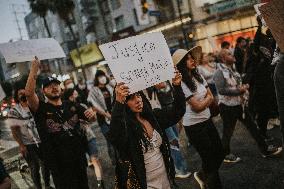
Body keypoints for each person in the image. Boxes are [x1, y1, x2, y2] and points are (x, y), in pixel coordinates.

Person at [25, 57, 96, 189]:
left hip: (79, 159)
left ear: (61, 88)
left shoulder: (72, 105)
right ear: (43, 91)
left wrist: (92, 115)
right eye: (49, 86)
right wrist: (34, 68)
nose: (54, 87)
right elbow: (29, 94)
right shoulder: (41, 109)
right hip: (59, 165)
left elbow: (91, 118)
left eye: (56, 85)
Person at [107, 69, 185, 189]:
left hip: (166, 180)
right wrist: (118, 103)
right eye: (131, 98)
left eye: (138, 95)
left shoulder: (153, 118)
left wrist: (177, 85)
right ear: (124, 103)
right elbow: (115, 136)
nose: (138, 100)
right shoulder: (126, 129)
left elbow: (178, 111)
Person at [214, 49, 282, 163]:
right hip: (227, 107)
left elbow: (235, 83)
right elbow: (221, 90)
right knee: (228, 132)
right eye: (229, 54)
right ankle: (225, 154)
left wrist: (243, 86)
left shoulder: (232, 68)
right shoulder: (219, 72)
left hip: (240, 104)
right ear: (223, 59)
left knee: (253, 127)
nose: (232, 55)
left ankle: (265, 149)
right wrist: (239, 90)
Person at [174, 46, 224, 189]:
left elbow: (211, 97)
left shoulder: (198, 76)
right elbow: (197, 106)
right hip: (194, 127)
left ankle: (202, 175)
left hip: (207, 121)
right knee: (209, 158)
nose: (192, 60)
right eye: (188, 59)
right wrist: (207, 100)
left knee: (219, 153)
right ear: (182, 64)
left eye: (191, 57)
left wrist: (206, 100)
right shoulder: (182, 83)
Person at [7, 80, 52, 189]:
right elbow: (14, 131)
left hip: (41, 140)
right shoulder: (14, 111)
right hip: (28, 144)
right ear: (17, 96)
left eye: (25, 93)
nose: (23, 95)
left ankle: (47, 185)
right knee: (34, 167)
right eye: (20, 94)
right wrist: (21, 145)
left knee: (46, 164)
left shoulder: (35, 103)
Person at [64, 88, 105, 189]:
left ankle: (101, 184)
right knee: (82, 166)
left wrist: (92, 115)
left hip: (89, 137)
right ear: (70, 96)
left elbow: (93, 119)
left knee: (95, 160)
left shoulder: (81, 106)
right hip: (78, 141)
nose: (77, 95)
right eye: (75, 94)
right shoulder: (64, 110)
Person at [153, 81, 191, 179]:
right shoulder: (149, 85)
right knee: (173, 142)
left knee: (175, 141)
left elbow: (170, 92)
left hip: (171, 111)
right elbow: (161, 85)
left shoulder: (167, 80)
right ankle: (180, 169)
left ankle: (179, 167)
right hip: (160, 115)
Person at [87, 70, 115, 163]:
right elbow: (93, 105)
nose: (102, 78)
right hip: (103, 120)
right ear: (96, 79)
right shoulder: (93, 90)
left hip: (114, 117)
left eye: (103, 76)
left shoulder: (109, 86)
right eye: (100, 77)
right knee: (110, 140)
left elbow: (116, 88)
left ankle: (119, 159)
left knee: (116, 139)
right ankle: (114, 161)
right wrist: (106, 114)